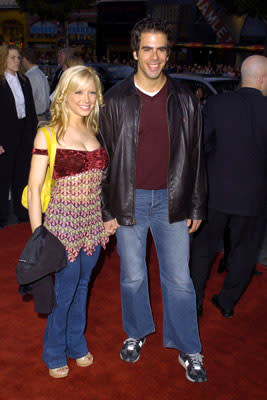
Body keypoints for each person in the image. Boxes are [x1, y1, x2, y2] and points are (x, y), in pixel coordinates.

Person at [100, 17, 207, 383]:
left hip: (172, 200)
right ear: (135, 52)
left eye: (161, 48)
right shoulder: (114, 100)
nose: (155, 56)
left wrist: (196, 204)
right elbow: (104, 159)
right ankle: (137, 332)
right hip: (128, 201)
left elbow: (195, 157)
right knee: (132, 276)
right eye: (147, 48)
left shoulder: (184, 100)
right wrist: (107, 209)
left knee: (179, 280)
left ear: (167, 54)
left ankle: (189, 348)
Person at [27, 65, 109, 378]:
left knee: (83, 286)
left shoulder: (95, 131)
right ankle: (54, 351)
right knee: (64, 291)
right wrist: (39, 236)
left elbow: (103, 184)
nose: (86, 98)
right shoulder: (47, 132)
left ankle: (76, 343)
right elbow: (34, 188)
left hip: (92, 224)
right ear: (64, 94)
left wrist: (107, 219)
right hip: (61, 226)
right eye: (78, 91)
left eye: (91, 92)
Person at [190, 55, 267, 318]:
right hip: (253, 199)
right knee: (245, 254)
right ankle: (227, 301)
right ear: (262, 79)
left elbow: (201, 145)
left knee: (202, 251)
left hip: (215, 194)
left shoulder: (217, 103)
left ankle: (195, 301)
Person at [0, 44, 38, 228]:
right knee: (3, 176)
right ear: (4, 59)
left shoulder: (25, 81)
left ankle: (21, 211)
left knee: (22, 175)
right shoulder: (0, 81)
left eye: (18, 57)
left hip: (23, 133)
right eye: (12, 57)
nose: (17, 61)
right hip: (5, 135)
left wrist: (33, 137)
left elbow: (31, 112)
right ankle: (1, 216)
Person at [22, 48, 50, 122]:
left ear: (24, 59)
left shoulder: (30, 76)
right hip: (43, 116)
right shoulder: (40, 73)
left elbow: (28, 100)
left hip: (36, 118)